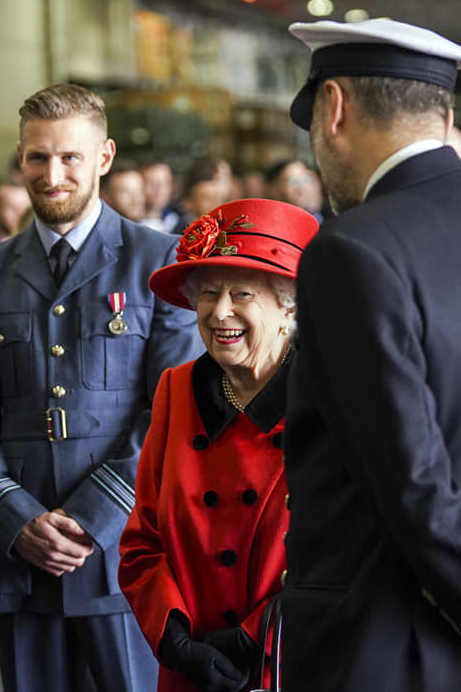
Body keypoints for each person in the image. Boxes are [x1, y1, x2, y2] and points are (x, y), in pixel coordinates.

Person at [283, 17, 461, 690]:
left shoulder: (351, 250)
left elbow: (412, 480)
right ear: (446, 112)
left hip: (391, 644)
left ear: (333, 107)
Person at [0, 84, 204, 692]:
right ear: (20, 158)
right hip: (22, 553)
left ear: (104, 157)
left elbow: (174, 413)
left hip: (124, 553)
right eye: (38, 158)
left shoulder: (159, 260)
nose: (52, 173)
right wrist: (17, 519)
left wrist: (91, 519)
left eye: (70, 157)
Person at [119, 199, 319, 692]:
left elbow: (346, 552)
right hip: (191, 668)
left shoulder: (328, 399)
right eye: (208, 292)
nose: (219, 311)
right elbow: (142, 542)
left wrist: (255, 638)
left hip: (289, 659)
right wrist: (174, 641)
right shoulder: (175, 389)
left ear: (288, 305)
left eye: (242, 293)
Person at [140, 159, 181, 233]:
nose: (160, 190)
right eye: (151, 183)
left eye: (166, 183)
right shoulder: (127, 224)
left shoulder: (181, 221)